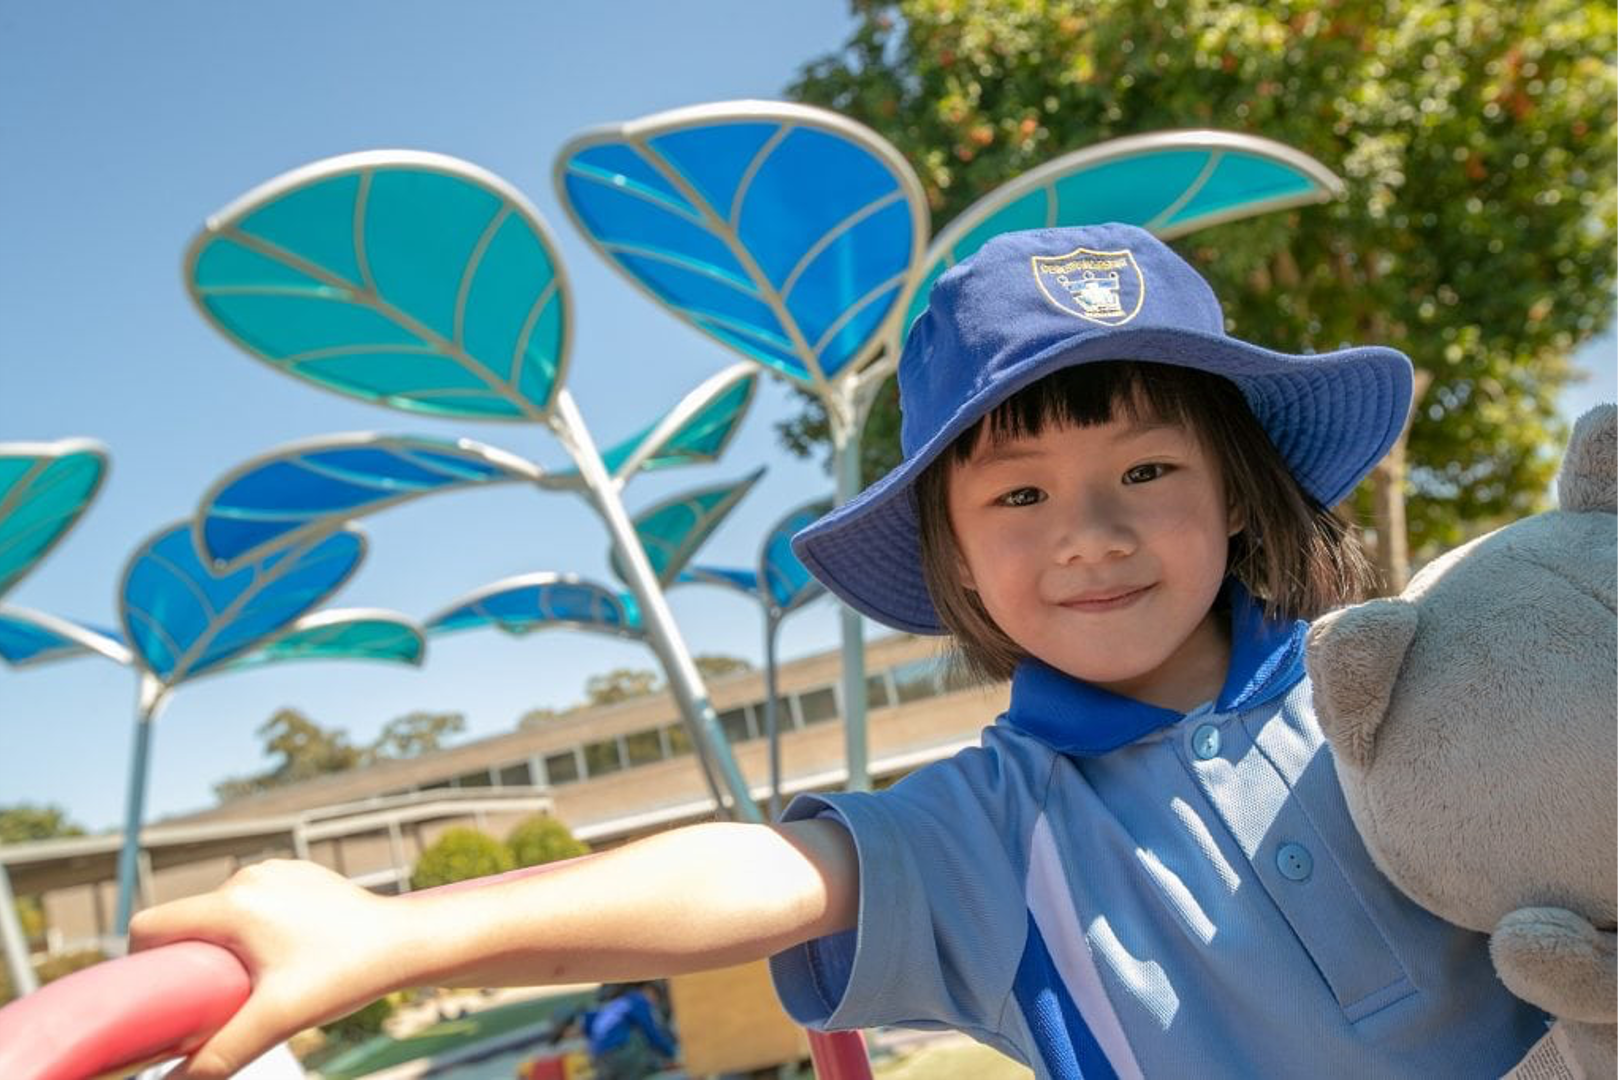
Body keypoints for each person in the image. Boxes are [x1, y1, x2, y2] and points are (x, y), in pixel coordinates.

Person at [129, 224, 1548, 1079]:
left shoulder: (1388, 681)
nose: (1090, 537)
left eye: (1144, 471)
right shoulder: (996, 830)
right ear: (955, 555)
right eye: (1018, 496)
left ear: (1234, 490)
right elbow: (760, 874)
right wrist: (397, 935)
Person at [581, 982, 678, 1079]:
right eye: (655, 997)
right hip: (617, 1052)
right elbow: (651, 1032)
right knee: (638, 1039)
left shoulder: (617, 1002)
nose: (654, 1002)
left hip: (598, 1055)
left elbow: (588, 1024)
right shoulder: (637, 1000)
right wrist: (672, 1053)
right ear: (648, 990)